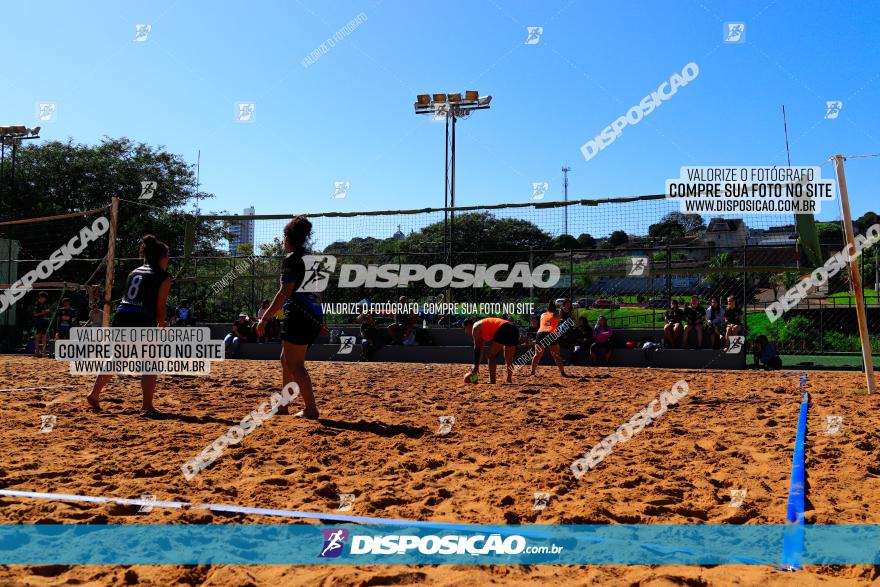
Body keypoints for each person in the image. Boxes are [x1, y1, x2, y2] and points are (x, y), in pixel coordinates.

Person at [87, 235, 172, 415]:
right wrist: (163, 326)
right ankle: (147, 406)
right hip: (141, 319)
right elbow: (160, 307)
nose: (168, 260)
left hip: (122, 316)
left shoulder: (134, 271)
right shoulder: (164, 277)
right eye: (167, 256)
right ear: (162, 257)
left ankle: (94, 393)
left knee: (118, 359)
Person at [255, 216, 325, 418]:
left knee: (296, 365)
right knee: (286, 360)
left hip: (298, 316)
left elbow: (284, 292)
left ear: (289, 237)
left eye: (283, 237)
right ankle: (283, 404)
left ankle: (311, 408)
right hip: (312, 316)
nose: (282, 241)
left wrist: (265, 318)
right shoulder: (311, 259)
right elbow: (319, 292)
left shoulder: (292, 259)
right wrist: (321, 320)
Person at [463, 316, 518, 384]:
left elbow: (477, 349)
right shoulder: (482, 326)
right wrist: (476, 365)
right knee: (509, 360)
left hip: (503, 328)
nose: (467, 332)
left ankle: (492, 381)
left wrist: (475, 366)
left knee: (491, 355)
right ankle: (509, 379)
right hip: (514, 329)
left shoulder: (475, 327)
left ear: (468, 325)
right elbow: (480, 350)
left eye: (465, 329)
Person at [530, 301, 568, 376]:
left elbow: (550, 319)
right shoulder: (556, 314)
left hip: (540, 333)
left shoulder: (543, 315)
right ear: (555, 308)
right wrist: (561, 309)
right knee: (556, 355)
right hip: (551, 333)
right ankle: (562, 372)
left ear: (547, 308)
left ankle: (532, 371)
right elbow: (559, 316)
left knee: (537, 355)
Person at [32, 292, 51, 358]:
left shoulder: (45, 304)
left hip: (44, 321)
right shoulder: (36, 304)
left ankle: (44, 351)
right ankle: (36, 351)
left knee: (44, 335)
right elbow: (35, 314)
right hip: (38, 321)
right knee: (38, 335)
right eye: (44, 298)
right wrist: (44, 312)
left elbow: (46, 313)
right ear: (41, 297)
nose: (45, 300)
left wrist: (47, 312)